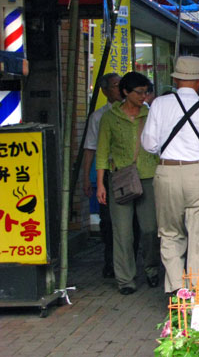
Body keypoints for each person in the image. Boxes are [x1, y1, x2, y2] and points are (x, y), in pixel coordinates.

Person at [142, 56, 199, 294]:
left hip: (167, 172)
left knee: (170, 233)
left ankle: (177, 288)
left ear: (176, 78)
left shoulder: (159, 104)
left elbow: (148, 144)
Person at [96, 72, 160, 295]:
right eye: (139, 92)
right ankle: (125, 280)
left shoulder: (151, 115)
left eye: (146, 92)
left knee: (150, 229)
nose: (144, 96)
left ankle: (152, 269)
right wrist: (100, 184)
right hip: (120, 178)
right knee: (123, 232)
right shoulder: (109, 118)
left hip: (149, 177)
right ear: (125, 92)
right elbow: (102, 152)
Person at [83, 72, 121, 279]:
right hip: (107, 173)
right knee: (107, 221)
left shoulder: (142, 111)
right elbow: (90, 148)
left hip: (133, 173)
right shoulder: (98, 117)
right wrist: (87, 179)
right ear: (105, 91)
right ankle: (110, 262)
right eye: (115, 85)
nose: (119, 88)